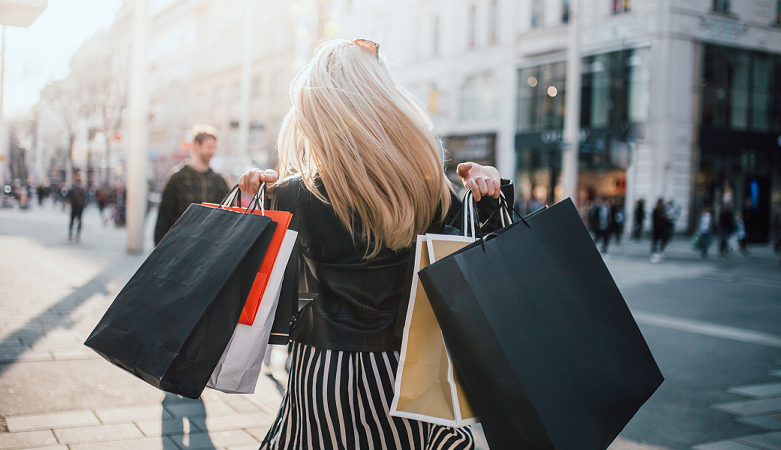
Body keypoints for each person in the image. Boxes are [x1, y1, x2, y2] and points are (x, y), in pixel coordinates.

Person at [237, 39, 510, 450]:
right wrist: (489, 193)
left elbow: (265, 286)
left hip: (322, 371)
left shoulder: (293, 194)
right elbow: (492, 261)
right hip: (408, 373)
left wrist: (252, 204)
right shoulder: (431, 191)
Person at [154, 124, 230, 245]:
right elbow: (163, 218)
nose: (212, 152)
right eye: (209, 147)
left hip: (210, 247)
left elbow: (227, 218)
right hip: (180, 246)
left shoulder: (219, 181)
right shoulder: (177, 177)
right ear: (196, 145)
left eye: (214, 148)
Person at [66, 177, 87, 242]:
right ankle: (78, 235)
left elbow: (68, 198)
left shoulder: (73, 189)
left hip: (74, 207)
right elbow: (86, 199)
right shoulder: (82, 190)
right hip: (80, 208)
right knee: (79, 221)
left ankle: (70, 233)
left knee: (72, 221)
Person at [650, 198, 669, 262]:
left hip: (662, 229)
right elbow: (654, 219)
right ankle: (655, 253)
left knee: (662, 240)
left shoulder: (663, 210)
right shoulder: (656, 210)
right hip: (656, 229)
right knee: (655, 241)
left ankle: (659, 252)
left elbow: (666, 220)